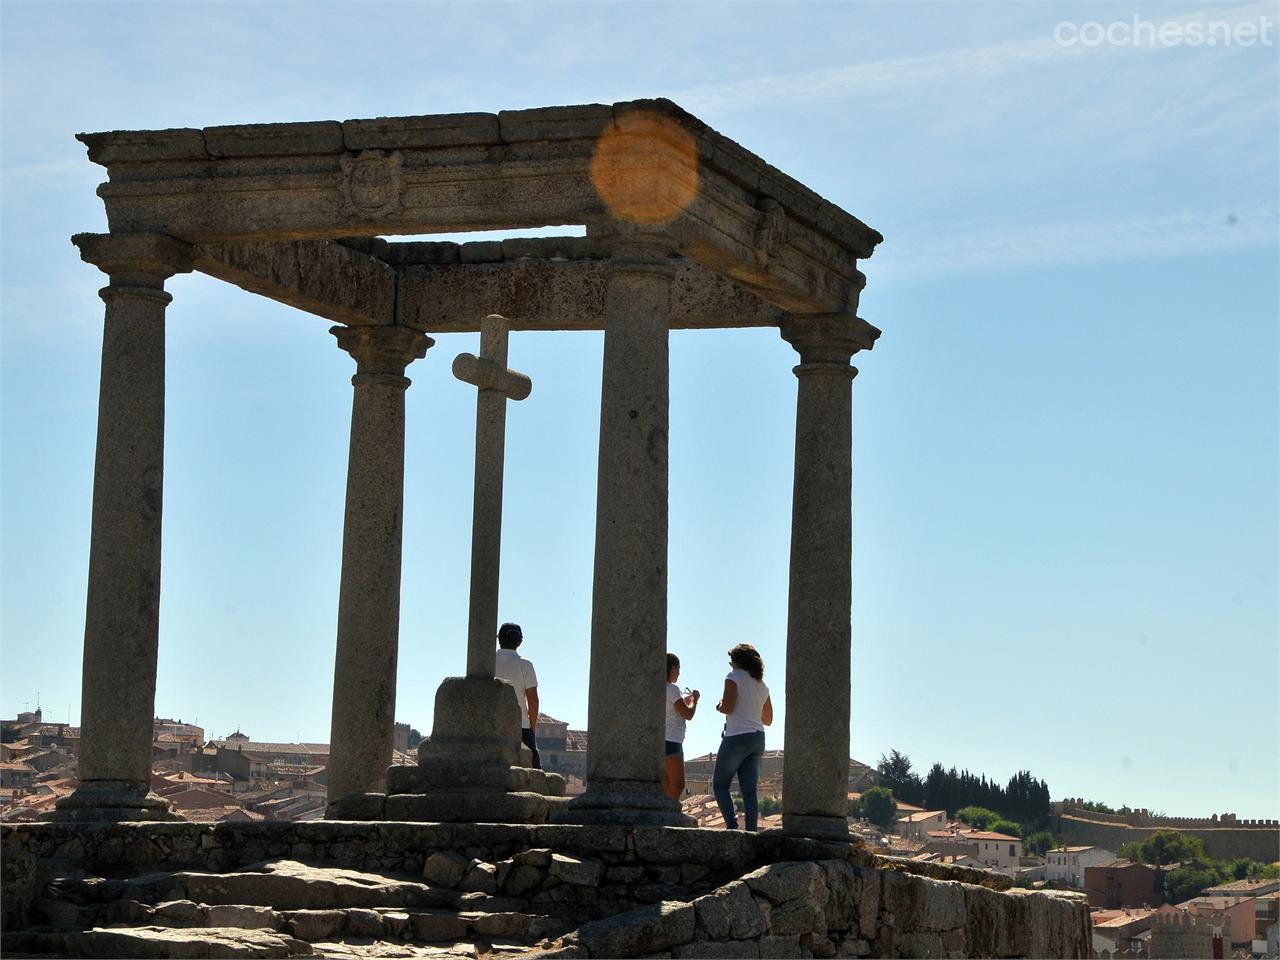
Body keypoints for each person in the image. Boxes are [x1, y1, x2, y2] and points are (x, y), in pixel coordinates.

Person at [712, 643, 772, 831]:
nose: (730, 664)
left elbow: (728, 707)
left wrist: (719, 705)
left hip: (737, 736)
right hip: (758, 738)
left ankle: (732, 826)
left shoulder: (733, 677)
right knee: (749, 791)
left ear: (738, 662)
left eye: (732, 660)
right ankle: (751, 830)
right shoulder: (762, 685)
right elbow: (768, 719)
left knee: (720, 785)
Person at [493, 621, 540, 769]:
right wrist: (532, 727)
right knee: (533, 770)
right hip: (520, 725)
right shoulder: (525, 665)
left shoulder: (487, 661)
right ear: (520, 641)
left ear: (498, 638)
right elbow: (532, 701)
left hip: (490, 723)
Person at [663, 653, 699, 800]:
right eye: (678, 669)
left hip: (661, 740)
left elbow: (674, 707)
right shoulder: (672, 688)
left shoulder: (660, 689)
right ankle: (668, 814)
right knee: (678, 784)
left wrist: (687, 700)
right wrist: (695, 700)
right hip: (672, 740)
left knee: (666, 783)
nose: (679, 673)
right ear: (673, 668)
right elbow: (688, 714)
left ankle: (663, 813)